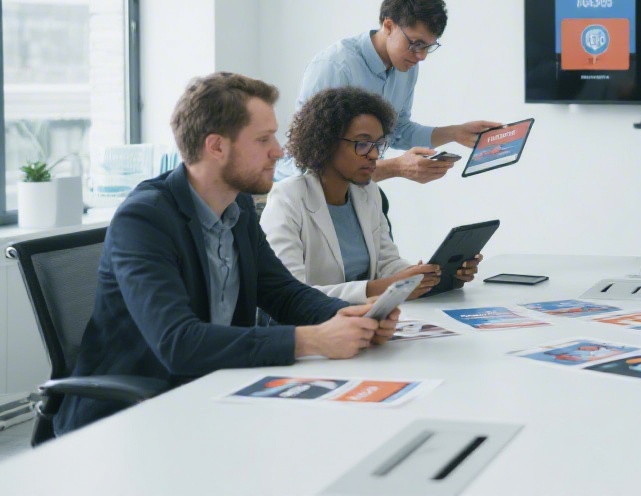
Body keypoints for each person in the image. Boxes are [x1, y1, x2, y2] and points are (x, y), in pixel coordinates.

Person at [55, 73, 400, 436]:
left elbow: (283, 293)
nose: (279, 151)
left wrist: (348, 315)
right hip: (132, 419)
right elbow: (178, 343)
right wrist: (312, 339)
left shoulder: (237, 210)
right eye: (264, 139)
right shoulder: (144, 220)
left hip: (218, 394)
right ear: (216, 146)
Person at [261, 87, 483, 302]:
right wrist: (384, 288)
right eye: (363, 144)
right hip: (317, 329)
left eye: (379, 144)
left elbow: (387, 263)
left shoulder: (368, 193)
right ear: (326, 142)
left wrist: (428, 276)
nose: (375, 154)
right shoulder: (287, 198)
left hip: (366, 321)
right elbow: (290, 294)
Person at [275, 0, 501, 183]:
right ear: (389, 25)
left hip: (356, 188)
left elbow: (398, 131)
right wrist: (397, 167)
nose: (421, 56)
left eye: (428, 47)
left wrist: (455, 133)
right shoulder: (336, 66)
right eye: (416, 43)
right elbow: (317, 158)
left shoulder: (406, 67)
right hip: (305, 189)